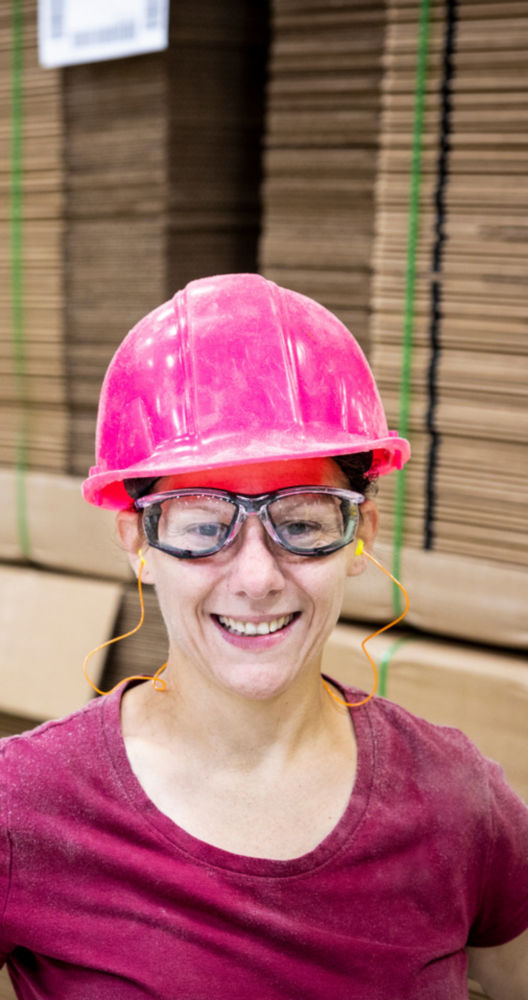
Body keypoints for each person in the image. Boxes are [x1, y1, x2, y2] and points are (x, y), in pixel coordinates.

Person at [0, 273, 527, 999]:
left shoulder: (459, 801)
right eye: (203, 524)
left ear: (361, 535)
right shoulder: (22, 809)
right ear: (138, 542)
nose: (256, 577)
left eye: (304, 522)